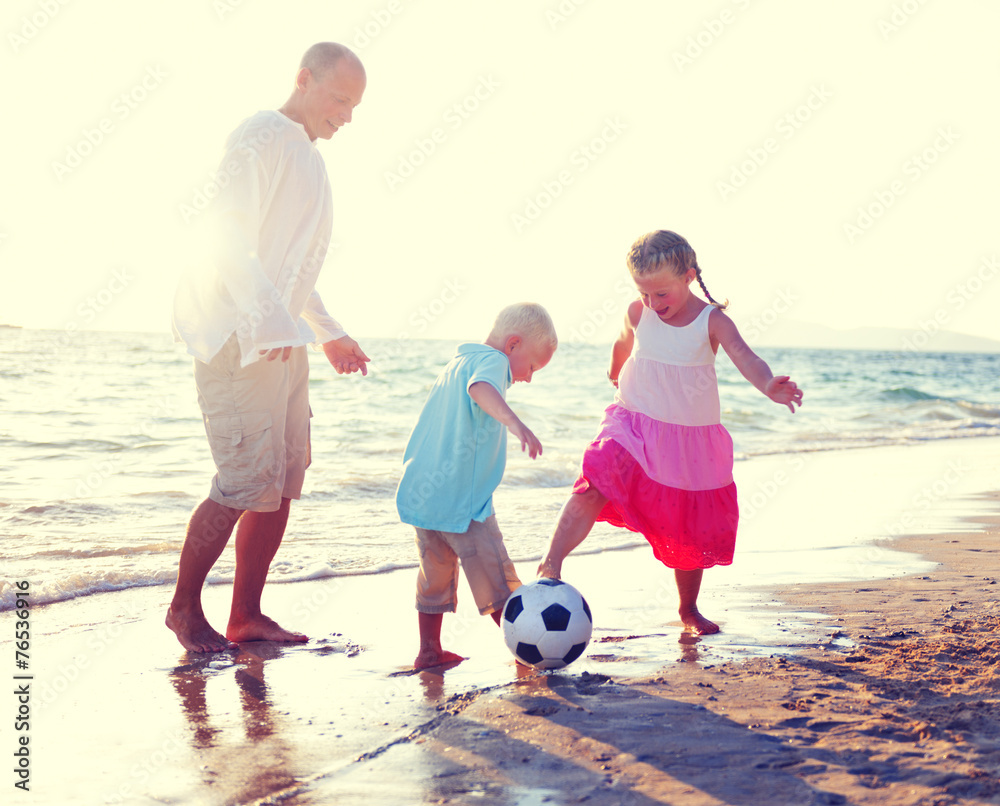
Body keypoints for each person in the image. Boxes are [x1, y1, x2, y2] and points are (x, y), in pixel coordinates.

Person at [167, 43, 370, 653]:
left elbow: (291, 267)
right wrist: (268, 322)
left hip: (282, 341)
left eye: (355, 106)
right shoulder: (262, 135)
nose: (347, 116)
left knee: (282, 481)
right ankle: (182, 610)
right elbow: (226, 235)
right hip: (239, 340)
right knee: (241, 482)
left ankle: (247, 615)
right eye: (340, 99)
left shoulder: (311, 159)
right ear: (303, 80)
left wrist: (326, 329)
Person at [537, 230, 803, 634]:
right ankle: (550, 563)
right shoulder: (637, 312)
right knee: (595, 478)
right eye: (643, 293)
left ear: (689, 277)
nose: (652, 303)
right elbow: (623, 344)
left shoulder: (711, 320)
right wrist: (615, 372)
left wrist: (767, 385)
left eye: (661, 294)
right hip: (632, 420)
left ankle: (688, 609)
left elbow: (744, 356)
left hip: (687, 438)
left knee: (687, 525)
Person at [396, 303, 558, 669]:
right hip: (463, 502)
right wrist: (516, 424)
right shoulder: (494, 364)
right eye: (532, 367)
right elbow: (481, 388)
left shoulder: (457, 362)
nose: (529, 378)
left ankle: (429, 650)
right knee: (497, 582)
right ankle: (530, 650)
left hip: (425, 497)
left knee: (433, 579)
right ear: (513, 344)